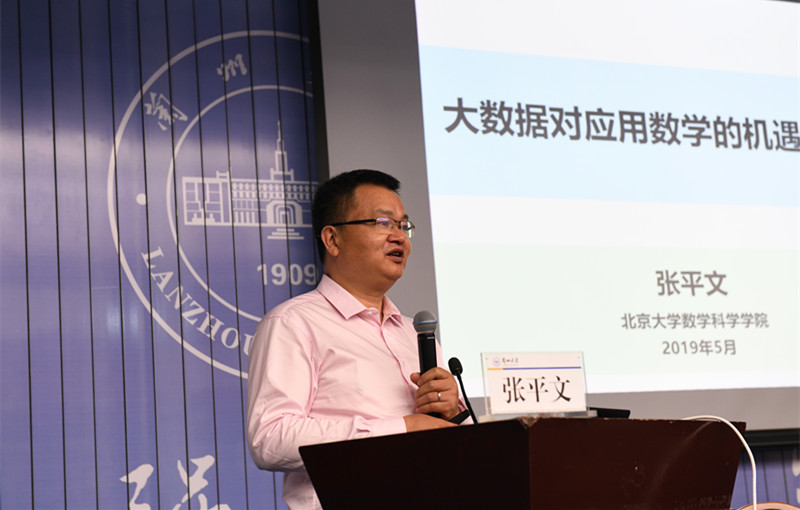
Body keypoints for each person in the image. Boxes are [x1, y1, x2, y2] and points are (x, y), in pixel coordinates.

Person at [246, 169, 464, 509]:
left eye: (404, 225)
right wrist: (402, 429)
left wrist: (452, 411)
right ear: (332, 240)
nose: (399, 237)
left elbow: (447, 440)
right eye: (383, 222)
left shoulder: (414, 332)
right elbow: (270, 440)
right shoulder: (293, 323)